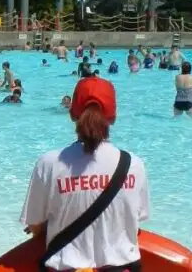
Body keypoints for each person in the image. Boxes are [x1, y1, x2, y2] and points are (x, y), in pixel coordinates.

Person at [20, 76, 149, 272]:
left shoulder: (49, 163)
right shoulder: (134, 165)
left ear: (72, 115)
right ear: (113, 117)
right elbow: (135, 220)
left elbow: (36, 226)